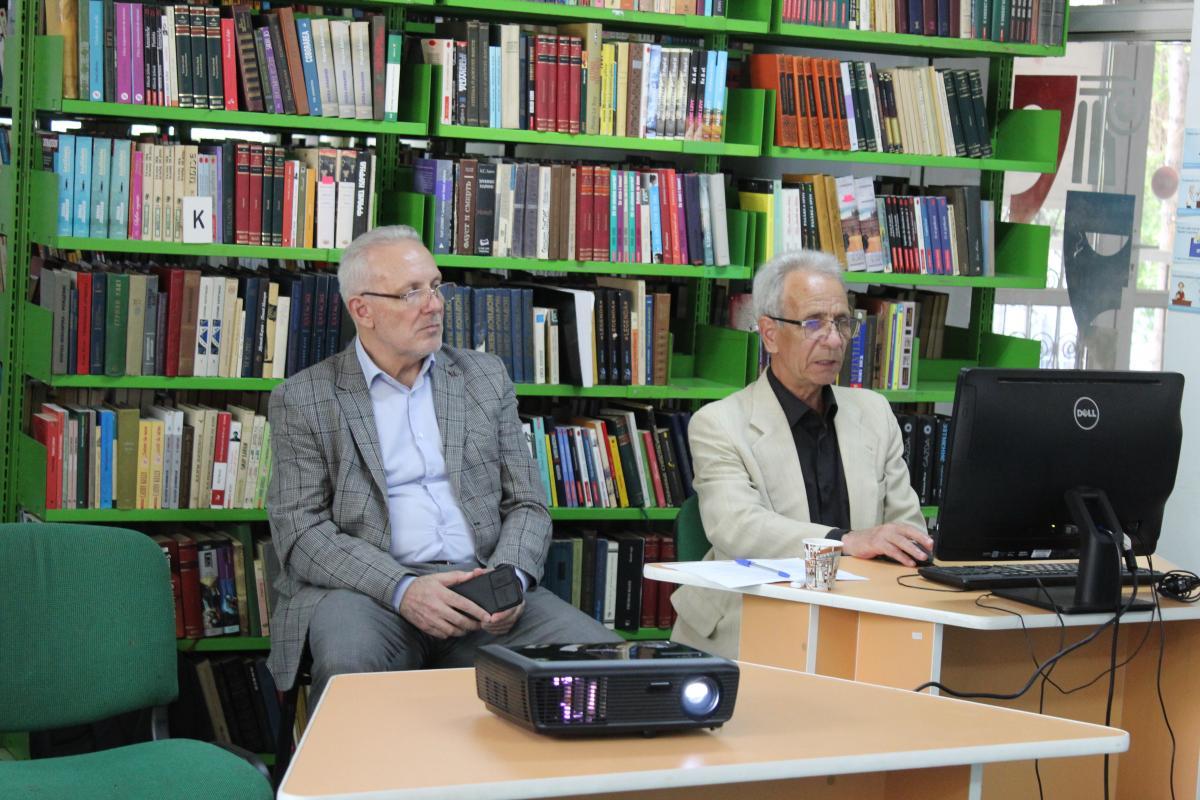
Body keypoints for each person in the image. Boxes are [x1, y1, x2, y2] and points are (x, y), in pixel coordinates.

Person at [265, 225, 618, 701]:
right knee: (350, 667)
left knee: (606, 665)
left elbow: (527, 504)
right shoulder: (304, 397)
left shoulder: (484, 377)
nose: (433, 305)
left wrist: (508, 580)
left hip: (482, 585)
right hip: (368, 594)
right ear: (362, 310)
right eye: (411, 292)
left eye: (435, 286)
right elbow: (301, 531)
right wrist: (404, 589)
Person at [671, 250, 932, 659]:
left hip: (858, 619)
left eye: (842, 322)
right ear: (770, 334)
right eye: (813, 323)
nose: (834, 340)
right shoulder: (719, 424)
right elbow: (738, 529)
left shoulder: (874, 413)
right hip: (753, 618)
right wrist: (845, 542)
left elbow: (907, 528)